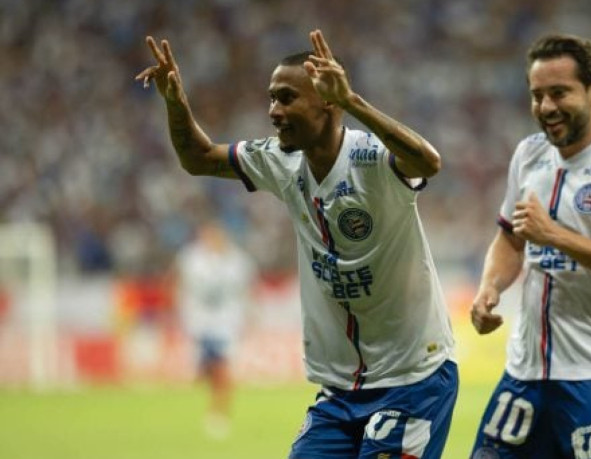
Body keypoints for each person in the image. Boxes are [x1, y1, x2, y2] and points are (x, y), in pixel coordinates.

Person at [136, 29, 457, 458]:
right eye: (272, 98)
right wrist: (176, 103)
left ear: (328, 101)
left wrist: (353, 101)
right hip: (341, 391)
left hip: (413, 380)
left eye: (286, 98)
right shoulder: (279, 160)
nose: (273, 111)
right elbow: (199, 158)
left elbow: (427, 162)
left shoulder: (372, 158)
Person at [469, 34, 591, 459]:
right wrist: (490, 286)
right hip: (523, 374)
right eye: (537, 95)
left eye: (559, 93)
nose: (545, 108)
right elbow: (509, 238)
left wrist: (555, 235)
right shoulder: (528, 155)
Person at [172, 219, 257, 439]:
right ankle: (212, 405)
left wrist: (250, 316)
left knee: (223, 369)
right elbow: (175, 282)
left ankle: (218, 414)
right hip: (198, 323)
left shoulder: (239, 261)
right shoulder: (191, 258)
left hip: (227, 324)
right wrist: (176, 311)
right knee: (203, 371)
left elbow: (249, 290)